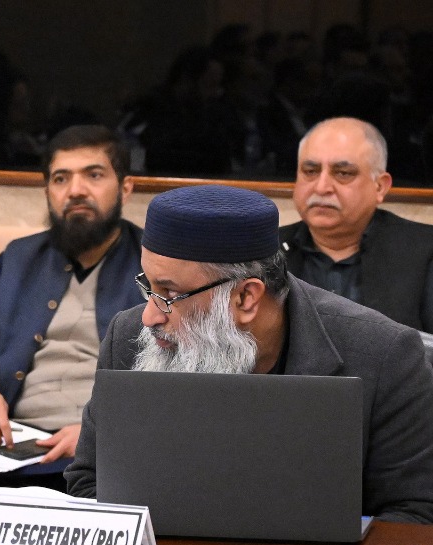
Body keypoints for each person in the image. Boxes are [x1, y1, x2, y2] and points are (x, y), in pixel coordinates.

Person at [67, 185, 433, 524]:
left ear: (245, 297)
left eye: (170, 294)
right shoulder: (129, 337)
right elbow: (90, 481)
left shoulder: (384, 357)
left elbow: (414, 513)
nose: (149, 316)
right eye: (149, 286)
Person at [0, 125, 143, 490]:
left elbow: (177, 375)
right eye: (61, 178)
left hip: (101, 452)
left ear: (126, 187)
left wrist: (103, 431)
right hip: (13, 443)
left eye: (94, 175)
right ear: (47, 192)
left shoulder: (154, 267)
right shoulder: (17, 260)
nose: (75, 190)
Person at [280, 117, 433, 332]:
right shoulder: (264, 251)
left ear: (380, 187)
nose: (322, 187)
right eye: (310, 171)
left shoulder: (424, 252)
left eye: (343, 173)